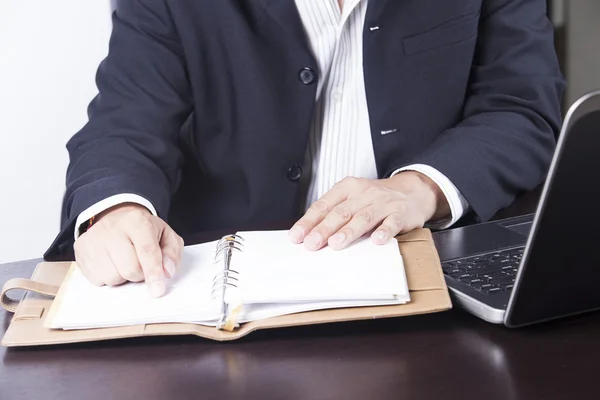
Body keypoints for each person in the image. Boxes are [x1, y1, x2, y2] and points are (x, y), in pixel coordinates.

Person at [45, 0, 565, 298]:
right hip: (222, 299)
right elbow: (124, 123)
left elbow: (522, 106)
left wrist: (421, 187)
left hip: (422, 280)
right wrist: (116, 209)